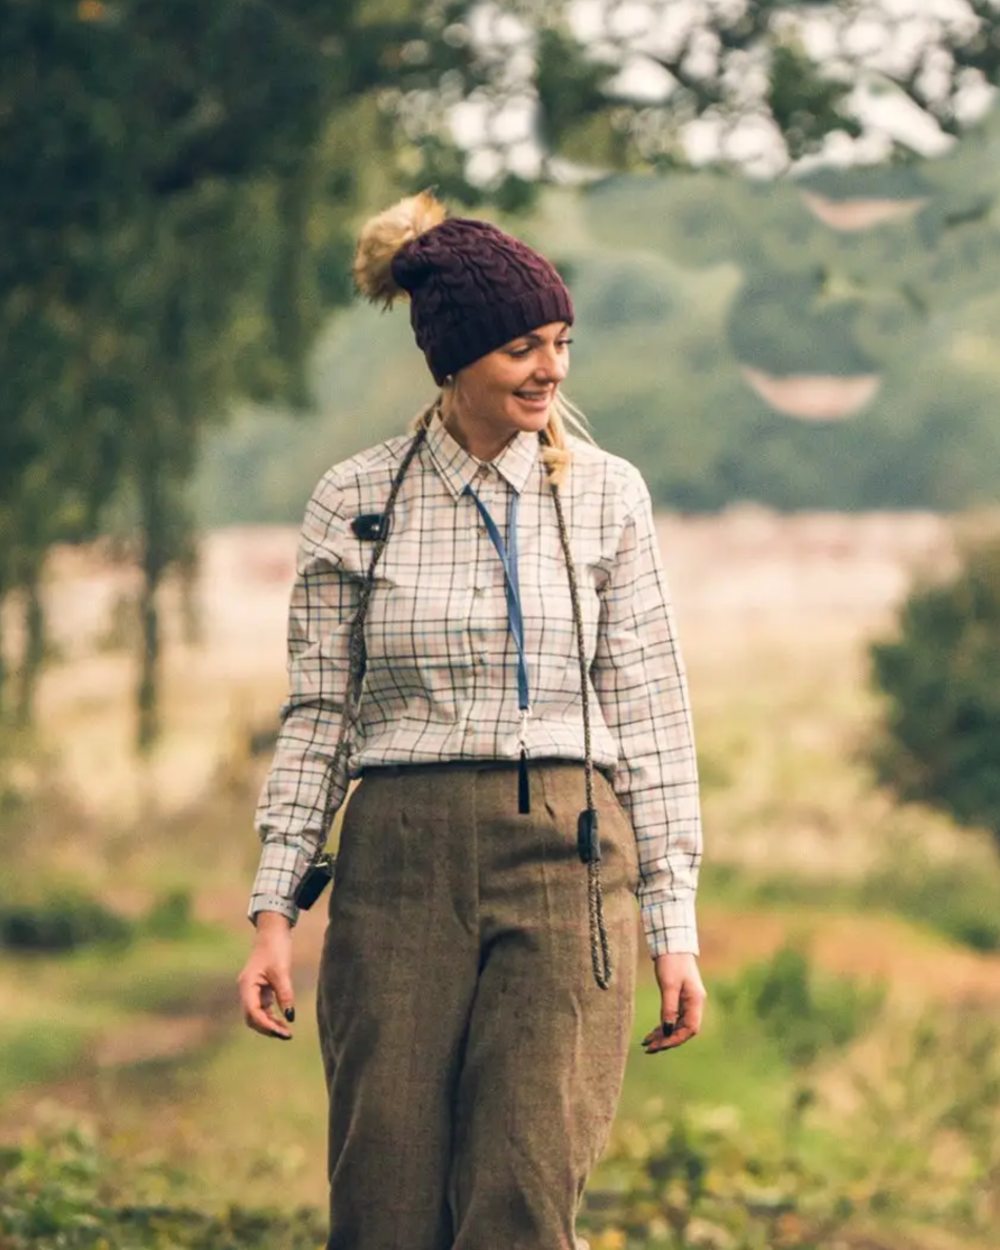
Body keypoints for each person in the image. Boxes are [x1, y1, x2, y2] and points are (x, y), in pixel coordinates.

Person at [237, 189, 708, 1250]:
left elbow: (652, 715)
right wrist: (276, 904)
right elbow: (319, 712)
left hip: (569, 856)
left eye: (559, 342)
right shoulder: (356, 499)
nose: (549, 368)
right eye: (519, 347)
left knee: (521, 1194)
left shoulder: (606, 496)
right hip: (397, 860)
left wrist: (672, 927)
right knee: (385, 1198)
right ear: (452, 359)